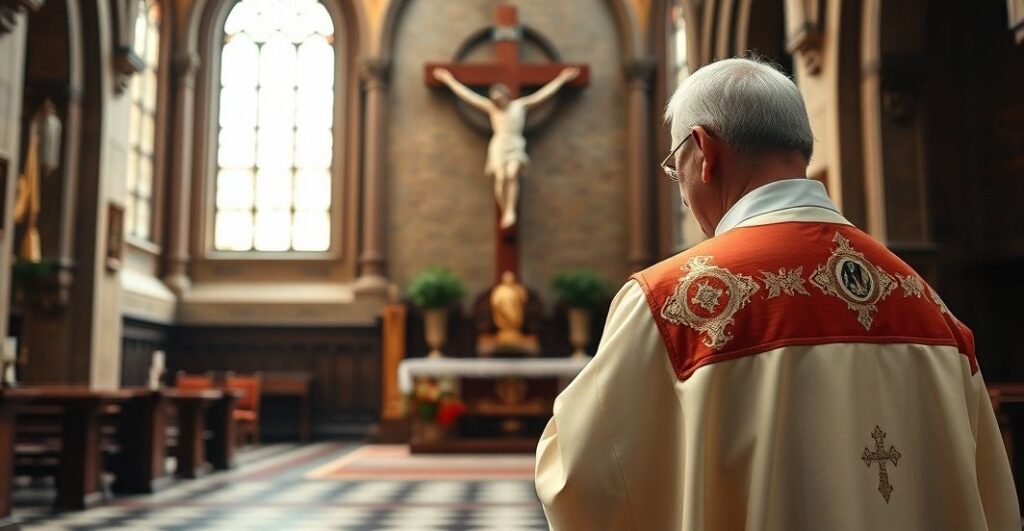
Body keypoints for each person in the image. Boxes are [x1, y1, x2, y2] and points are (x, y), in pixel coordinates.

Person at [535, 57, 1019, 530]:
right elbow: (991, 503)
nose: (681, 192)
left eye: (673, 167)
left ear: (704, 153)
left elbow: (581, 483)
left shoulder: (670, 303)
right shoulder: (928, 306)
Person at [433, 67, 580, 229]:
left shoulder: (520, 105)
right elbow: (468, 96)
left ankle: (510, 210)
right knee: (501, 178)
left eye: (500, 98)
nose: (497, 102)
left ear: (507, 96)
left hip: (515, 143)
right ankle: (506, 210)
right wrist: (449, 80)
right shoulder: (491, 108)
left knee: (511, 174)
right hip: (499, 145)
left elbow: (542, 95)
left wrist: (561, 79)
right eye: (495, 100)